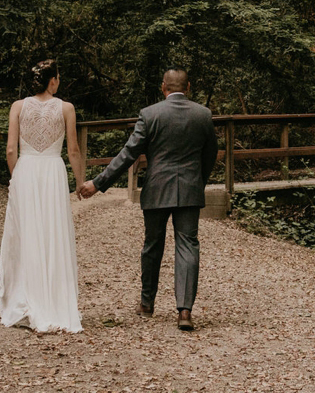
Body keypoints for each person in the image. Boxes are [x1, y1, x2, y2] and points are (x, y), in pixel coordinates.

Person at [78, 69, 217, 330]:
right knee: (188, 246)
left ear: (163, 87)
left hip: (156, 189)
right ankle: (185, 311)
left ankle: (147, 304)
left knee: (152, 245)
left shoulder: (150, 114)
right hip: (189, 189)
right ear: (188, 87)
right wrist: (198, 181)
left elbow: (128, 154)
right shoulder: (203, 115)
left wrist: (98, 183)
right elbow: (210, 155)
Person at [0, 59, 86, 334]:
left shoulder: (17, 106)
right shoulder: (66, 108)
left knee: (26, 235)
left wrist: (17, 178)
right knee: (52, 233)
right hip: (52, 172)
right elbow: (73, 150)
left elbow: (11, 150)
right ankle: (54, 302)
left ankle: (25, 300)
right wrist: (80, 183)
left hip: (26, 170)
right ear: (53, 81)